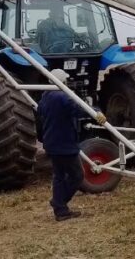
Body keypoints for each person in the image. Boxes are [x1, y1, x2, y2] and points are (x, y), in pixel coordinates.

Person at [37, 68, 107, 221]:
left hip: (51, 144)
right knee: (77, 176)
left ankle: (59, 208)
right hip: (65, 144)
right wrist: (96, 112)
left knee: (59, 176)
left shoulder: (45, 97)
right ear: (62, 81)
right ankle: (59, 203)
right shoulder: (63, 97)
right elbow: (80, 109)